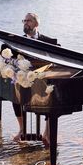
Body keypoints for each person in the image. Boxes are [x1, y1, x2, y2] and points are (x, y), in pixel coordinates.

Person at [12, 12, 59, 146]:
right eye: (24, 20)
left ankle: (47, 133)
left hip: (43, 80)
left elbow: (56, 60)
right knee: (15, 95)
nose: (26, 23)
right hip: (24, 80)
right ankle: (22, 130)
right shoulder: (16, 42)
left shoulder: (49, 42)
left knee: (52, 96)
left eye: (29, 21)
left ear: (36, 24)